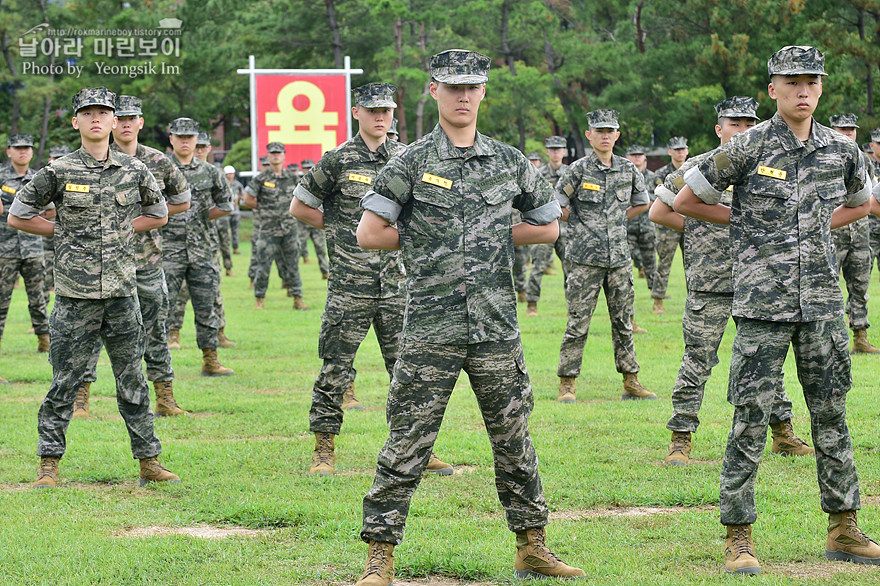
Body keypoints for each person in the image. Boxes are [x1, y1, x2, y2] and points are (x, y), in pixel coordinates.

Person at [355, 49, 584, 585]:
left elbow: (547, 227)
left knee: (514, 439)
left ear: (483, 93)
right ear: (433, 91)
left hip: (494, 326)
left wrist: (487, 236)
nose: (463, 96)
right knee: (407, 441)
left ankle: (532, 546)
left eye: (472, 87)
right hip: (430, 327)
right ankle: (380, 555)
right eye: (452, 87)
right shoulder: (410, 162)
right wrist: (431, 239)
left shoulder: (509, 161)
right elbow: (369, 233)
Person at [674, 46, 880, 574]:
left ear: (821, 87)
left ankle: (844, 528)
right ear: (773, 89)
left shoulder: (841, 150)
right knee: (749, 420)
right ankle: (738, 537)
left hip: (822, 305)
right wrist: (747, 227)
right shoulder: (745, 147)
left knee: (831, 416)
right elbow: (685, 201)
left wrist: (812, 232)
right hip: (761, 307)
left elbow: (863, 202)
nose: (803, 91)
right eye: (792, 82)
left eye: (811, 81)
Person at [8, 87, 178, 488]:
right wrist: (61, 232)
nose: (97, 119)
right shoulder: (58, 171)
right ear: (76, 122)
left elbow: (158, 213)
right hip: (74, 297)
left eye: (104, 112)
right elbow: (18, 215)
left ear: (115, 120)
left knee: (132, 379)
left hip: (122, 293)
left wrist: (120, 230)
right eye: (88, 113)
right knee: (64, 381)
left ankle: (149, 461)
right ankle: (49, 464)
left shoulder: (134, 170)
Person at [291, 82, 453, 477]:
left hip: (400, 286)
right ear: (356, 112)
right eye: (372, 110)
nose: (381, 117)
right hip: (350, 284)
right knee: (336, 367)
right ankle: (324, 449)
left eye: (387, 111)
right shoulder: (337, 160)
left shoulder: (409, 158)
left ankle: (419, 449)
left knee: (408, 370)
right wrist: (341, 231)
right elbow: (301, 206)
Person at [652, 96, 811, 466]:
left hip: (756, 281)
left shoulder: (766, 167)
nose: (741, 130)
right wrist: (702, 228)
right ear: (718, 128)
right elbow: (660, 211)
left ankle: (783, 432)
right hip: (710, 282)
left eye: (748, 123)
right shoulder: (697, 167)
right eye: (734, 123)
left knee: (766, 361)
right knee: (697, 359)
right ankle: (681, 437)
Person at [75, 94, 192, 418]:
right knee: (91, 332)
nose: (126, 124)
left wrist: (143, 220)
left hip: (146, 262)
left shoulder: (157, 161)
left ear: (140, 122)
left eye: (132, 119)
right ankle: (81, 398)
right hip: (101, 265)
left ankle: (165, 397)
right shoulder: (90, 161)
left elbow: (183, 199)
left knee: (155, 330)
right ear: (113, 123)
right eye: (121, 118)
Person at [555, 109, 654, 403]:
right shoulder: (577, 170)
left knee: (623, 322)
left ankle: (631, 382)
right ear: (589, 135)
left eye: (610, 131)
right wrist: (582, 223)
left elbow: (643, 201)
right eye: (599, 131)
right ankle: (567, 383)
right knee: (577, 322)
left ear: (617, 135)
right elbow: (558, 204)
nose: (605, 136)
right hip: (584, 259)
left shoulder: (627, 169)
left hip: (620, 259)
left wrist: (617, 219)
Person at [162, 117, 234, 376]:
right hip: (168, 250)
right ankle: (159, 362)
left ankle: (210, 359)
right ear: (171, 139)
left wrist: (201, 216)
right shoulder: (160, 169)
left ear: (197, 140)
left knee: (206, 306)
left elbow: (226, 204)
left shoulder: (211, 172)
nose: (184, 141)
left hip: (202, 249)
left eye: (189, 137)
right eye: (179, 137)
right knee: (162, 307)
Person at [828, 114, 878, 353]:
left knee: (860, 285)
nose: (848, 133)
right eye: (843, 129)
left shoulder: (863, 160)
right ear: (832, 129)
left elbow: (868, 195)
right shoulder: (823, 157)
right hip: (833, 232)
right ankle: (830, 339)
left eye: (852, 130)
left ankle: (860, 336)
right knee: (828, 286)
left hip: (859, 232)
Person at [0, 134, 50, 365]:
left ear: (31, 152)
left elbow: (50, 210)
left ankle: (44, 341)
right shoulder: (0, 177)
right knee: (1, 301)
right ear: (8, 151)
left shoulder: (40, 178)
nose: (22, 152)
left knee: (38, 299)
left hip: (32, 248)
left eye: (26, 148)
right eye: (17, 148)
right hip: (4, 249)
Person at [244, 142, 307, 310]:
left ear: (284, 155)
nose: (276, 156)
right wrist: (264, 208)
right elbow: (248, 199)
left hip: (289, 229)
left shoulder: (293, 177)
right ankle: (259, 299)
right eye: (272, 153)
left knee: (293, 265)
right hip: (268, 229)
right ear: (268, 156)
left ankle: (297, 298)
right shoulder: (261, 178)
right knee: (263, 265)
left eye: (278, 153)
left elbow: (304, 196)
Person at [524, 135, 568, 317]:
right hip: (544, 229)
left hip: (566, 228)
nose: (556, 152)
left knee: (571, 269)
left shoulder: (571, 173)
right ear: (547, 152)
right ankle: (532, 304)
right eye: (552, 149)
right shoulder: (538, 173)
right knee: (538, 266)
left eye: (559, 149)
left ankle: (572, 307)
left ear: (564, 151)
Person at [651, 136, 688, 314]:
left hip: (691, 222)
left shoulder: (694, 170)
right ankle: (658, 301)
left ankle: (694, 302)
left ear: (687, 151)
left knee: (693, 264)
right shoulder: (661, 174)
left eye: (683, 149)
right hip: (669, 225)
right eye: (677, 149)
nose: (680, 152)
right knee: (664, 264)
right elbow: (661, 200)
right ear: (669, 152)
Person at [624, 143, 656, 334]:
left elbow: (653, 198)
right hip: (626, 228)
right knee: (626, 269)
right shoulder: (621, 174)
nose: (636, 158)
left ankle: (656, 296)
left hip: (646, 225)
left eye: (639, 155)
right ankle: (629, 320)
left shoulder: (652, 177)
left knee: (651, 261)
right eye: (632, 155)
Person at [224, 165, 243, 255]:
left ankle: (235, 248)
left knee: (235, 230)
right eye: (228, 174)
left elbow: (242, 194)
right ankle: (225, 249)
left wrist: (238, 199)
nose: (230, 175)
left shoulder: (238, 184)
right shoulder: (222, 184)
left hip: (235, 211)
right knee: (225, 232)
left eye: (232, 173)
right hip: (225, 212)